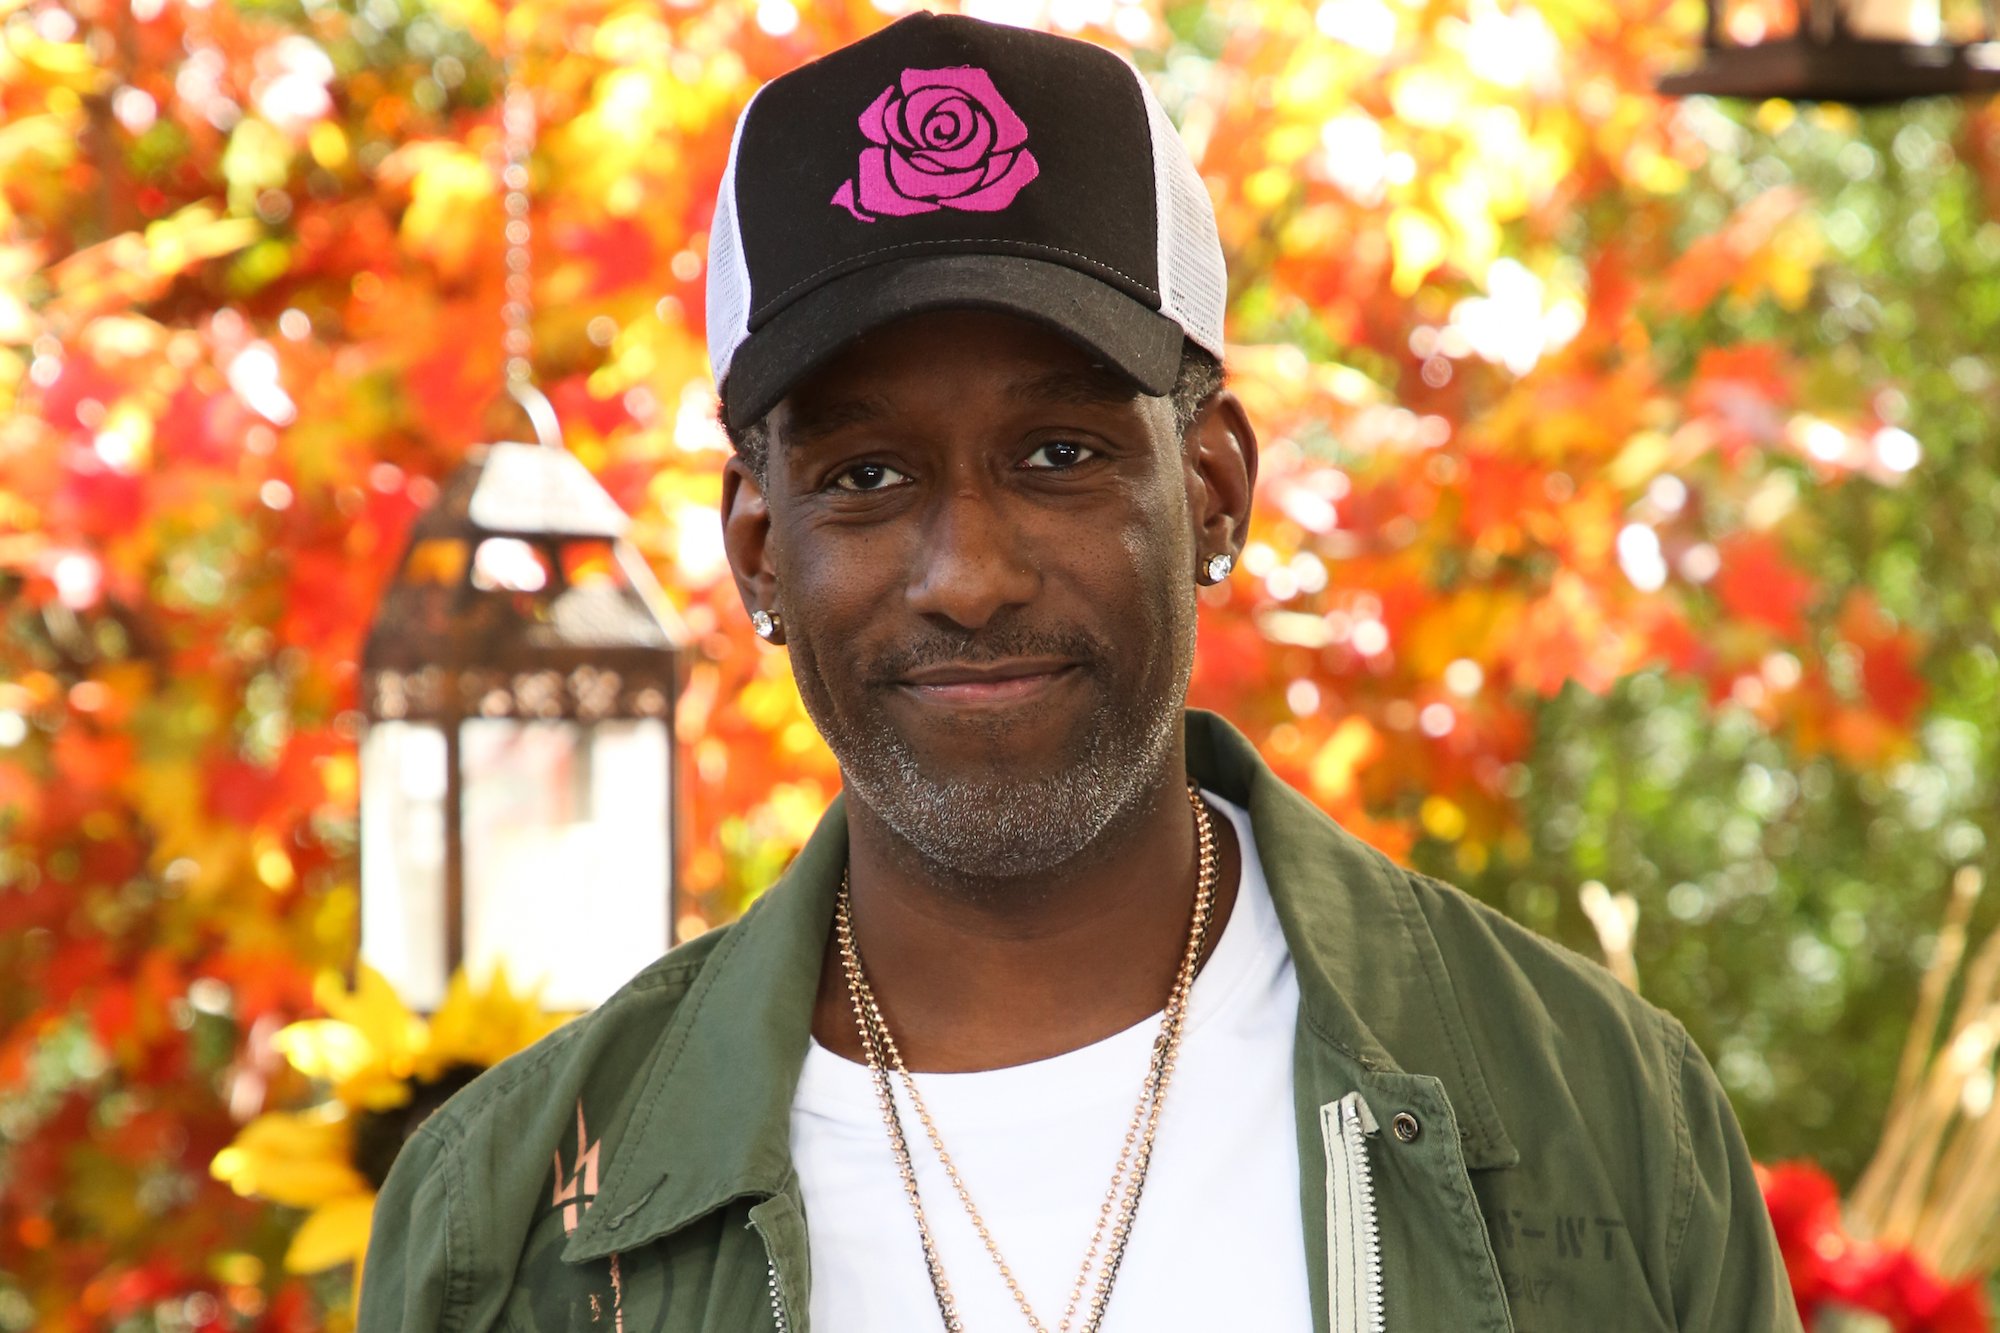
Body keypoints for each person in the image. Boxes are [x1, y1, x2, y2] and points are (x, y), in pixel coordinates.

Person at [359, 13, 1801, 1332]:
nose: (968, 572)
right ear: (758, 552)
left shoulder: (1599, 1118)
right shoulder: (511, 1233)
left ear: (1216, 487)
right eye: (865, 475)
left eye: (1060, 454)